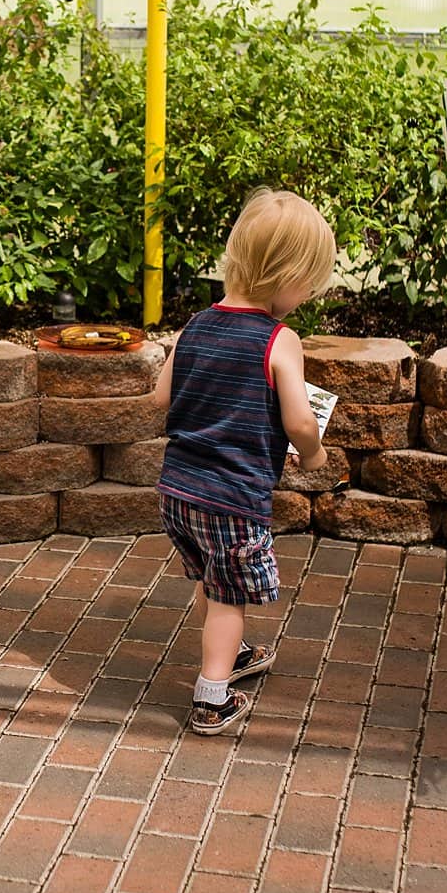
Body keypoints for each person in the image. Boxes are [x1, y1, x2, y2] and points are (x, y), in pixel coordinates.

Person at [152, 189, 336, 736]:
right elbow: (301, 422)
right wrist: (314, 452)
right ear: (286, 275)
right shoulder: (280, 340)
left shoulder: (196, 325)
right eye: (308, 283)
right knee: (232, 596)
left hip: (178, 490)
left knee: (213, 578)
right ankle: (212, 696)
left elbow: (162, 398)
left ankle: (228, 657)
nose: (308, 295)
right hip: (233, 497)